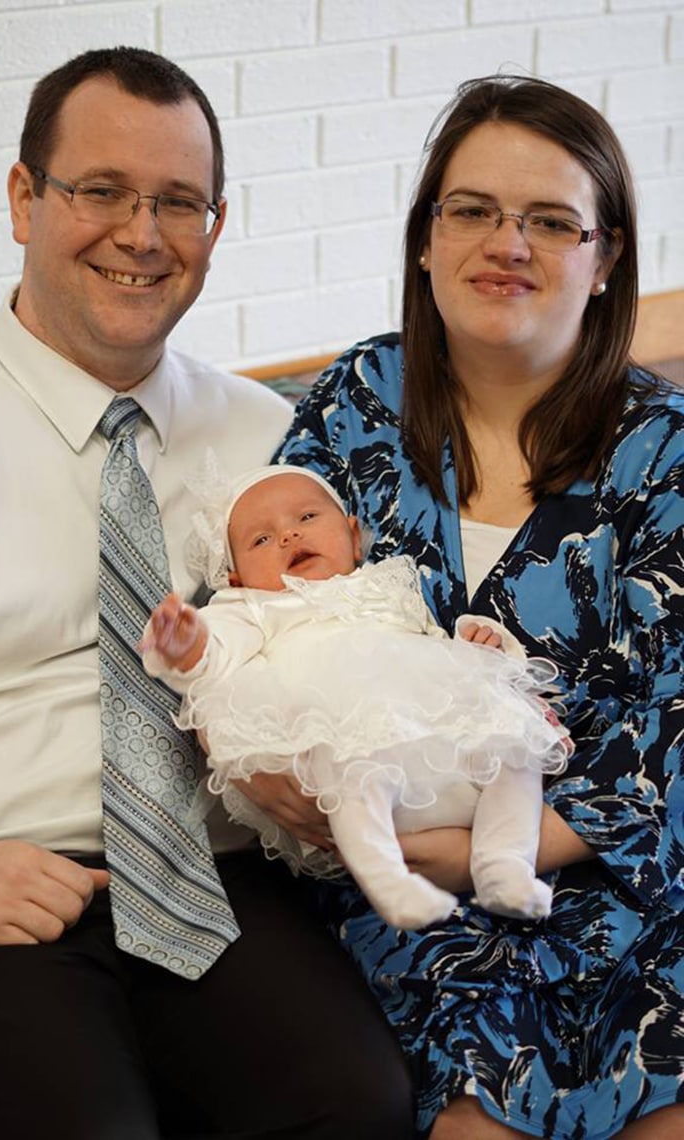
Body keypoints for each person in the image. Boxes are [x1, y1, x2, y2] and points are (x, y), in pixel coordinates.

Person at [0, 47, 414, 1140]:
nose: (142, 235)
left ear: (214, 226)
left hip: (217, 878)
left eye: (178, 203)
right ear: (21, 199)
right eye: (100, 191)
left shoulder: (275, 443)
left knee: (357, 1106)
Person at [273, 75, 684, 1139]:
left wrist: (506, 847)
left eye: (552, 221)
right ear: (424, 241)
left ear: (604, 264)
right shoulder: (351, 407)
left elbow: (675, 727)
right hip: (402, 895)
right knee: (474, 1119)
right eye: (474, 210)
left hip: (629, 886)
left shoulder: (669, 452)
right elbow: (262, 609)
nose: (509, 243)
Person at [141, 463, 572, 930]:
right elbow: (215, 657)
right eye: (261, 540)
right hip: (354, 749)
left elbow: (433, 645)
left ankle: (503, 864)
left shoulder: (387, 586)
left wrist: (477, 643)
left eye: (306, 517)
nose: (288, 536)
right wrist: (187, 645)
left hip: (436, 750)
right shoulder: (253, 608)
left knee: (515, 748)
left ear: (352, 536)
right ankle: (389, 881)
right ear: (237, 578)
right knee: (352, 766)